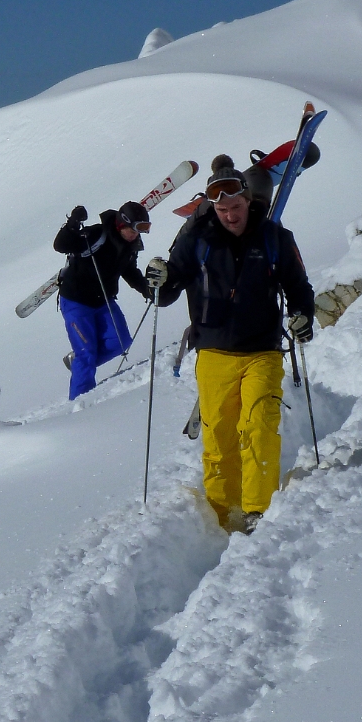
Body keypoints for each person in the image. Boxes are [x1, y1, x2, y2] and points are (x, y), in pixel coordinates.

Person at [145, 155, 314, 534]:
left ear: (247, 201)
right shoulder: (197, 240)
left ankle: (258, 511)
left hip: (263, 352)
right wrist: (156, 280)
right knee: (219, 438)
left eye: (236, 207)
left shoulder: (275, 238)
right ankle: (222, 518)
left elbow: (300, 289)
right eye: (222, 209)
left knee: (259, 425)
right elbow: (166, 292)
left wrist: (304, 317)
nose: (230, 215)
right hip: (214, 353)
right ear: (213, 207)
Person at [53, 201, 153, 399]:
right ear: (121, 224)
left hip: (103, 301)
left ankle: (79, 362)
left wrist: (146, 289)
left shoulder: (130, 245)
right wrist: (73, 224)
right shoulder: (96, 235)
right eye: (134, 228)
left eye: (142, 229)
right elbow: (61, 245)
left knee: (121, 342)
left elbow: (129, 270)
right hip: (76, 302)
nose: (137, 234)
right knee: (87, 353)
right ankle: (80, 407)